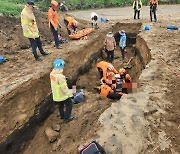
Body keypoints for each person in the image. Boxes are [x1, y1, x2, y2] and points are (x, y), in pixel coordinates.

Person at [50, 59, 74, 123]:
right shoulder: (60, 77)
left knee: (60, 106)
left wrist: (64, 79)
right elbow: (64, 88)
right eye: (63, 65)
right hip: (62, 95)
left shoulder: (52, 74)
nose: (63, 66)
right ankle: (67, 117)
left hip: (56, 96)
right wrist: (70, 94)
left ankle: (62, 116)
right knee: (69, 104)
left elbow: (56, 81)